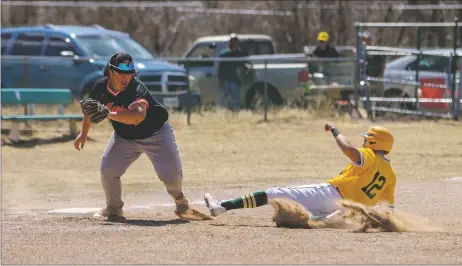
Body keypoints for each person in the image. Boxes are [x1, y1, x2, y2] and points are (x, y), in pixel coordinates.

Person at [73, 52, 204, 221]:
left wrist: (109, 114)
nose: (125, 77)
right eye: (121, 73)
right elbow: (89, 110)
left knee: (171, 177)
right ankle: (113, 209)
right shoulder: (100, 87)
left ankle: (181, 202)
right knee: (108, 170)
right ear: (110, 72)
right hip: (125, 137)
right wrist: (83, 133)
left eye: (129, 73)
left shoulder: (136, 88)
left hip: (155, 134)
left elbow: (137, 116)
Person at [204, 122, 396, 220]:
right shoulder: (391, 175)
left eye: (367, 138)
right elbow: (389, 211)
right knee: (288, 217)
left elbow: (348, 150)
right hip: (346, 210)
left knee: (275, 194)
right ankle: (322, 219)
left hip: (330, 193)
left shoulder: (370, 155)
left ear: (374, 142)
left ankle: (222, 206)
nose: (364, 141)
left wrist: (335, 130)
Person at [217, 33, 249, 112]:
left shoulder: (240, 54)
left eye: (235, 42)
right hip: (225, 81)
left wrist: (246, 69)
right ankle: (221, 116)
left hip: (235, 80)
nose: (233, 44)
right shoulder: (224, 54)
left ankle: (236, 116)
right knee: (222, 101)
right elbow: (220, 69)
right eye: (231, 42)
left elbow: (244, 65)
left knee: (236, 101)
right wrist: (221, 81)